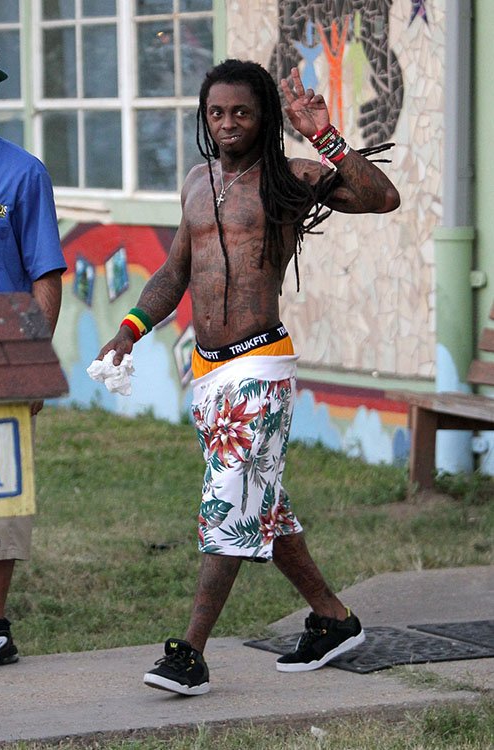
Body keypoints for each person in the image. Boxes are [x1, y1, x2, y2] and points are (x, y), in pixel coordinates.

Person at [97, 59, 400, 695]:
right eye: (217, 112)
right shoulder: (196, 181)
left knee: (229, 505)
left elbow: (381, 197)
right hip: (208, 373)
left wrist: (323, 135)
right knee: (263, 505)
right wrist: (129, 330)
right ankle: (333, 619)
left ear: (263, 117)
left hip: (260, 365)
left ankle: (190, 653)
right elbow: (175, 272)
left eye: (242, 111)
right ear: (204, 118)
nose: (228, 122)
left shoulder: (290, 178)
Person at [0, 49, 67, 666]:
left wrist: (35, 360)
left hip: (4, 358)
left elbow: (45, 273)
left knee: (2, 497)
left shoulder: (22, 174)